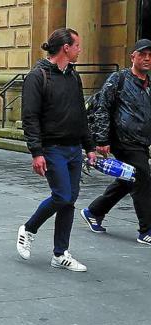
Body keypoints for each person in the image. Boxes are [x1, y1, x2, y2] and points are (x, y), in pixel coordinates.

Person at [16, 28, 96, 271]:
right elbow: (30, 117)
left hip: (73, 148)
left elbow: (80, 114)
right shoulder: (38, 76)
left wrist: (89, 146)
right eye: (77, 46)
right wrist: (36, 152)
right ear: (66, 48)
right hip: (52, 148)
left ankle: (60, 253)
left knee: (69, 201)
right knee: (62, 195)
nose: (80, 50)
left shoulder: (73, 76)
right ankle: (29, 229)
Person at [80, 39, 151, 245]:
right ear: (133, 57)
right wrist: (102, 139)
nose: (147, 58)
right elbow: (102, 107)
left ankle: (94, 211)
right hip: (123, 140)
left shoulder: (148, 83)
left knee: (128, 178)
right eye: (142, 54)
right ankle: (146, 230)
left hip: (141, 141)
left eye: (150, 55)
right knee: (143, 179)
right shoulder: (119, 78)